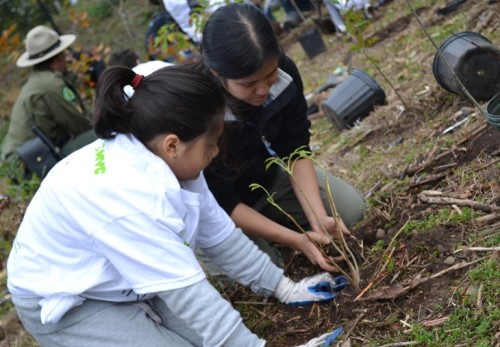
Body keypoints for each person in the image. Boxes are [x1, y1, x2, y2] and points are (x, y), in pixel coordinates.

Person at [7, 64, 347, 346]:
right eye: (211, 145)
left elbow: (219, 235)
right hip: (66, 298)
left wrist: (284, 288)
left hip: (117, 273)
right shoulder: (133, 198)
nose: (215, 154)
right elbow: (191, 296)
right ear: (173, 145)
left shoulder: (163, 151)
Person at [194, 3, 367, 273]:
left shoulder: (284, 72)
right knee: (268, 268)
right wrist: (297, 240)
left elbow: (295, 147)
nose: (262, 90)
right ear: (218, 74)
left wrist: (317, 217)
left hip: (268, 180)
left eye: (269, 77)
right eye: (249, 84)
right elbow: (222, 201)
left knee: (352, 212)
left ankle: (277, 221)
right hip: (219, 212)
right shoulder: (197, 112)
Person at [0, 25, 96, 172]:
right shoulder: (51, 85)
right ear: (58, 57)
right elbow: (81, 126)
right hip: (30, 162)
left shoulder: (39, 81)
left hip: (20, 159)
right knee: (101, 136)